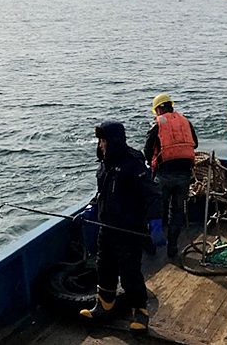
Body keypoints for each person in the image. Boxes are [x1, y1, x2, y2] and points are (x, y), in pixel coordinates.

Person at [79, 120, 164, 335]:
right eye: (100, 141)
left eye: (104, 140)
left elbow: (153, 195)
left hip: (127, 233)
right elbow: (102, 193)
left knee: (129, 274)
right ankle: (104, 305)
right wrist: (92, 207)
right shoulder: (104, 164)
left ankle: (140, 312)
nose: (101, 145)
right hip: (106, 229)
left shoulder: (132, 164)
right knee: (104, 268)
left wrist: (155, 222)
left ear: (114, 140)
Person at [143, 93, 198, 259]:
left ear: (158, 109)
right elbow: (195, 143)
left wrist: (152, 163)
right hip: (184, 174)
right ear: (171, 106)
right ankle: (172, 246)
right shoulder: (185, 121)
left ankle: (151, 245)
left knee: (156, 208)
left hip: (164, 174)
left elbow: (147, 149)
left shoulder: (157, 123)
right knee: (177, 211)